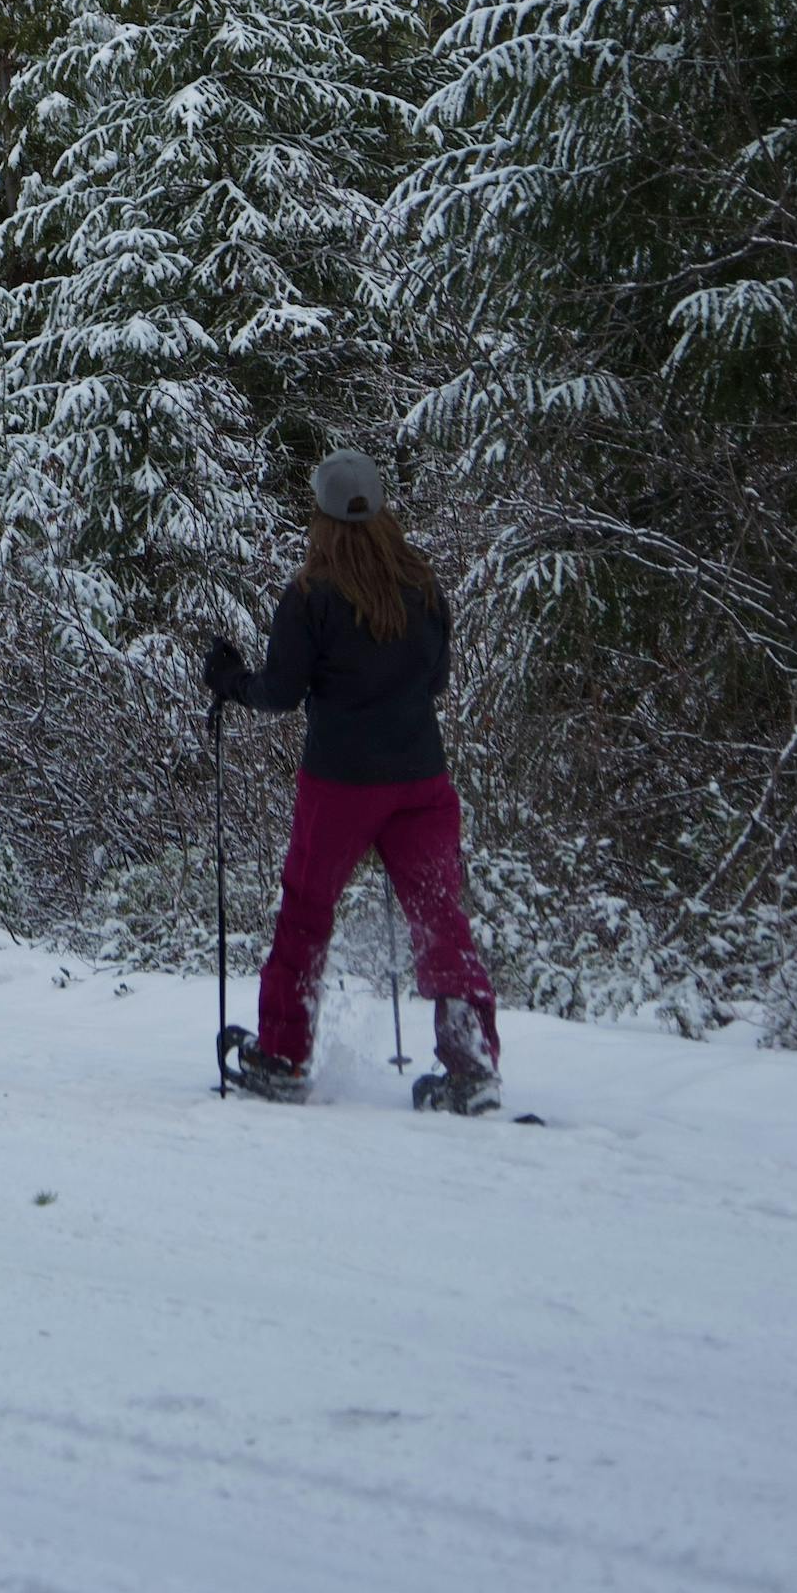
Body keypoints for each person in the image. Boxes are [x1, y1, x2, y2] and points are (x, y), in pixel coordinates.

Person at [204, 449, 501, 1111]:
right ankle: (470, 1063)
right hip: (421, 779)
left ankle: (283, 1055)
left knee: (306, 914)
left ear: (322, 517)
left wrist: (230, 683)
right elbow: (436, 682)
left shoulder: (311, 597)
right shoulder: (422, 587)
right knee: (440, 917)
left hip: (339, 784)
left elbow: (281, 693)